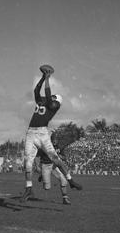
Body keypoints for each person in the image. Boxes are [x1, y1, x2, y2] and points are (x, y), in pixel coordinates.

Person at [21, 68, 82, 202]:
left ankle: (70, 181)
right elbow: (36, 91)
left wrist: (47, 79)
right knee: (28, 162)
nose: (53, 100)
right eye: (54, 98)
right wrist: (43, 78)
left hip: (42, 132)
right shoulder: (44, 101)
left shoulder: (53, 106)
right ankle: (28, 188)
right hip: (31, 132)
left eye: (55, 99)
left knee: (56, 159)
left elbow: (48, 96)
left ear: (58, 103)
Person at [34, 140, 72, 205]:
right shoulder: (44, 146)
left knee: (64, 181)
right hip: (45, 165)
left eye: (56, 140)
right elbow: (37, 156)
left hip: (54, 165)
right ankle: (42, 176)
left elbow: (64, 157)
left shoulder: (58, 147)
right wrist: (37, 166)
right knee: (47, 187)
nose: (55, 142)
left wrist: (60, 156)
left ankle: (65, 199)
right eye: (53, 140)